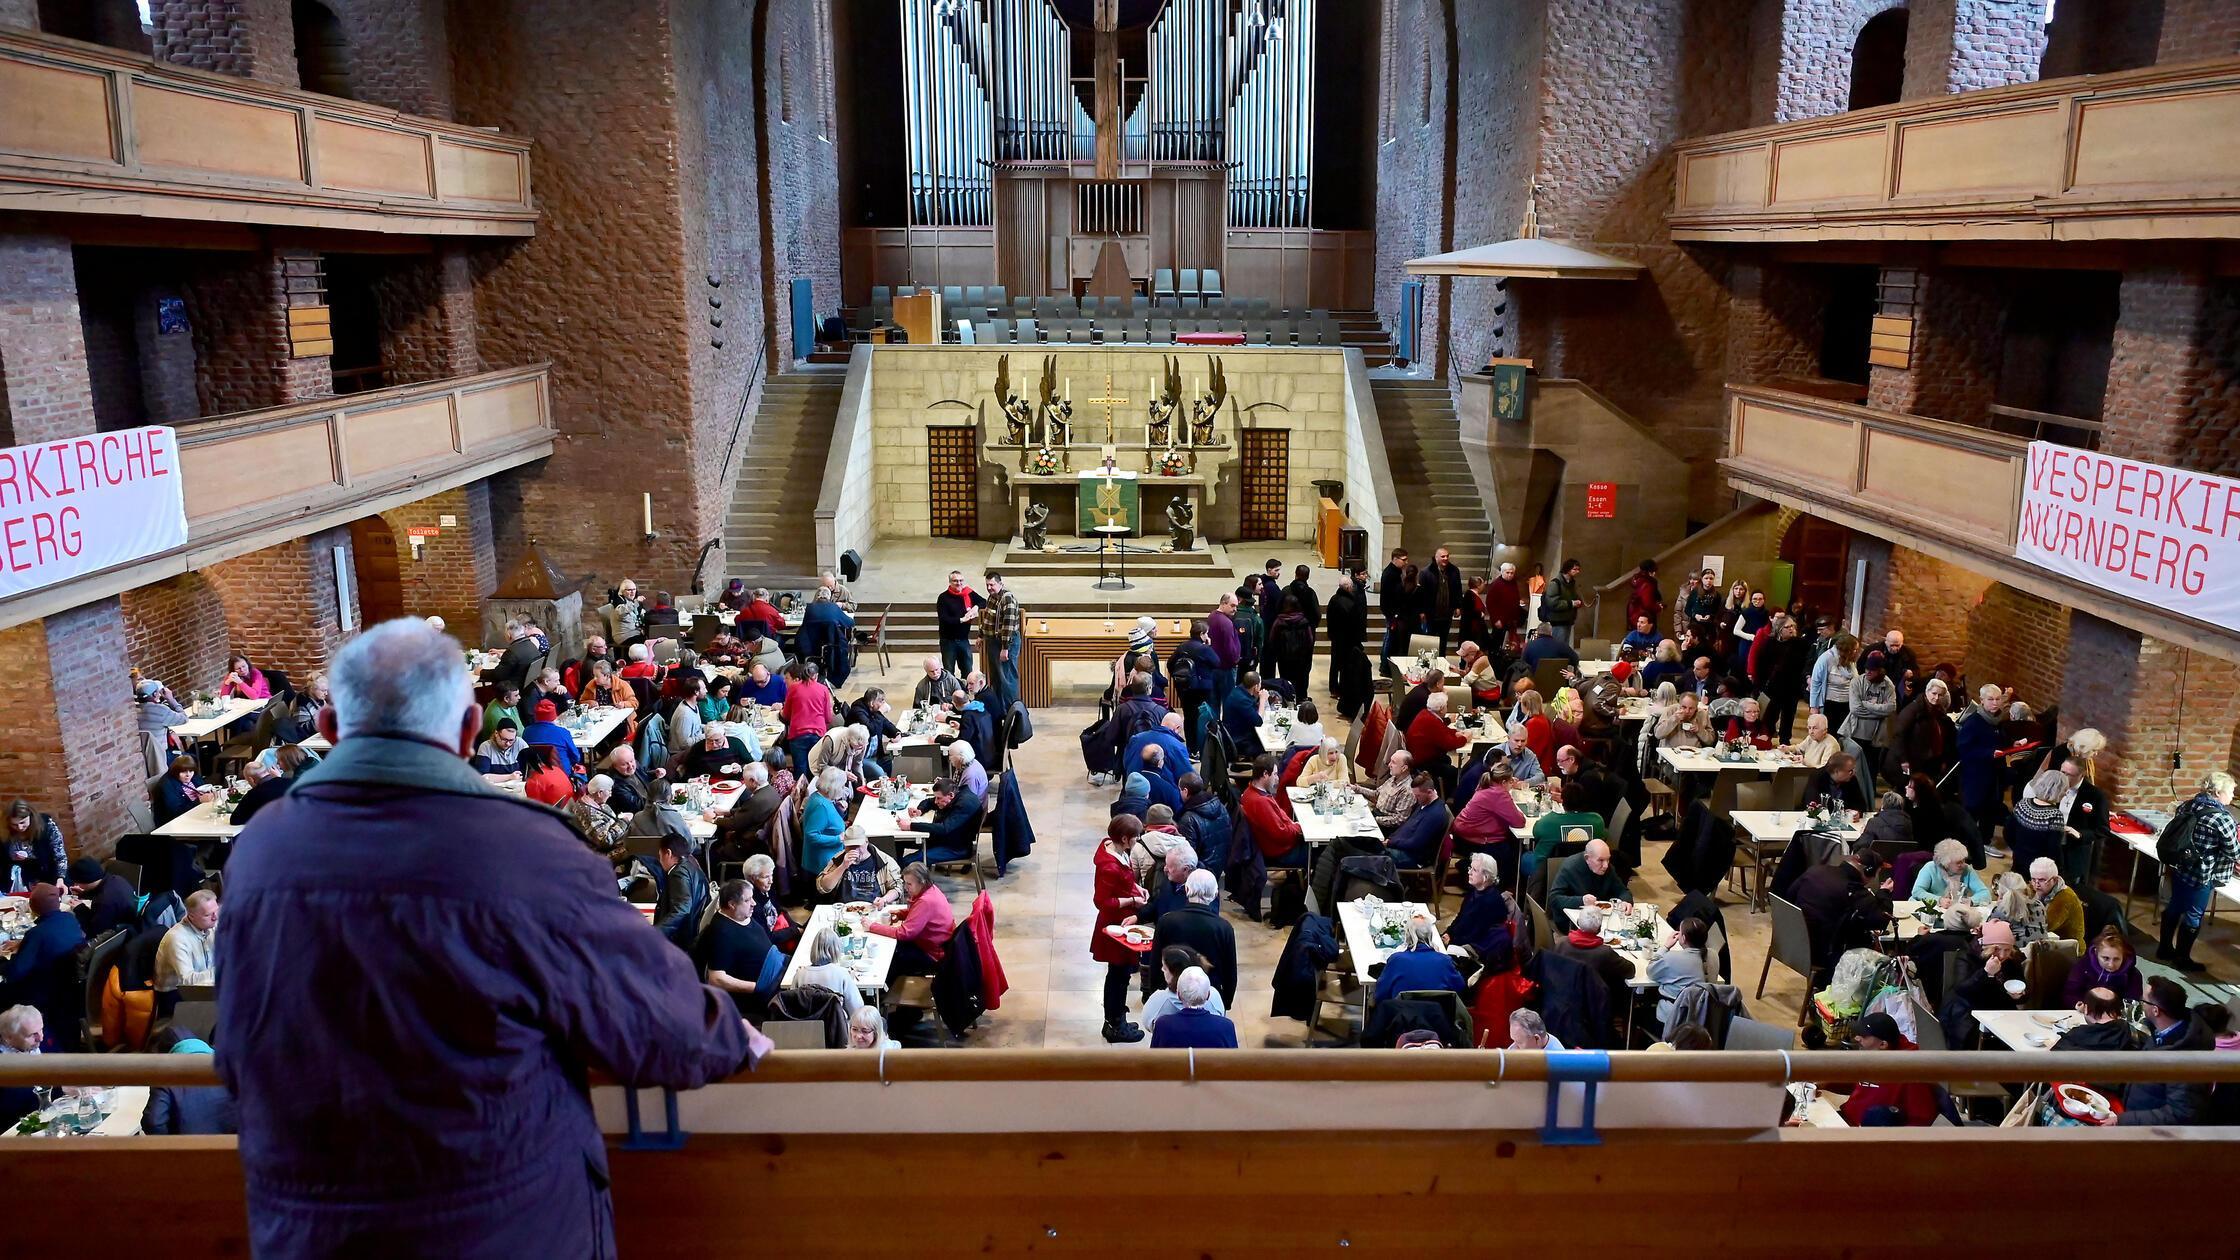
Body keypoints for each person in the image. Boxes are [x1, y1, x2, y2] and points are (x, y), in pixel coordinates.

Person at [216, 620, 763, 1255]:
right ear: (471, 729)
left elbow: (236, 1049)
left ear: (332, 731)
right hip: (496, 1223)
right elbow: (658, 1029)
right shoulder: (529, 853)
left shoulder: (258, 857)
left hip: (310, 1229)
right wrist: (730, 1030)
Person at [2159, 771, 2238, 973]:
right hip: (2203, 873)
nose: (2232, 796)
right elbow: (2233, 851)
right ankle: (2182, 958)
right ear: (2218, 792)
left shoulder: (2188, 805)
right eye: (2231, 791)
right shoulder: (2222, 818)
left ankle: (2165, 948)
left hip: (2181, 866)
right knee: (2194, 915)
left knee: (2175, 906)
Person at [2118, 977, 2214, 1126]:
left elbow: (2181, 1114)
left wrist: (2124, 1120)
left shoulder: (2186, 1060)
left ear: (2155, 1010)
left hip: (2149, 1137)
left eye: (2143, 1000)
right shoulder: (2161, 1033)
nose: (2140, 1003)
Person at [1090, 815, 1151, 1043]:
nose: (1138, 841)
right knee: (1118, 976)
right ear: (1125, 839)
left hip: (1122, 922)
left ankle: (1117, 1018)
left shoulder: (1115, 848)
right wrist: (1132, 901)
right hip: (1114, 927)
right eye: (1136, 837)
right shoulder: (1108, 867)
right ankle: (1115, 1024)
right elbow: (1102, 902)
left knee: (1121, 975)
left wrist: (1135, 887)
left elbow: (1123, 882)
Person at [0, 883, 85, 1045]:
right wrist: (23, 943)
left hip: (42, 993)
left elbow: (14, 973)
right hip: (68, 988)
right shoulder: (70, 919)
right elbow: (51, 939)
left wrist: (2, 960)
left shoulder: (37, 934)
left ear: (33, 908)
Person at [1835, 1011, 1939, 1127]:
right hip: (1845, 1120)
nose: (1857, 1038)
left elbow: (1921, 1120)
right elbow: (1858, 1083)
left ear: (1883, 1044)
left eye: (1863, 1036)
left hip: (1866, 1136)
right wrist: (1824, 1083)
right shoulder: (1873, 1054)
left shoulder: (1912, 1071)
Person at [696, 878, 778, 1019]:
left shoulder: (741, 915)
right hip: (759, 995)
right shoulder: (721, 933)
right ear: (732, 904)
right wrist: (758, 987)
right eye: (747, 900)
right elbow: (716, 979)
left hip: (776, 972)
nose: (754, 903)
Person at [141, 1025, 238, 1135]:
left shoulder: (167, 1077)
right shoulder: (230, 1067)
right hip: (235, 1149)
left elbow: (153, 1123)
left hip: (188, 1149)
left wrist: (169, 1146)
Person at [867, 862, 955, 977]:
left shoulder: (926, 901)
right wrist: (900, 913)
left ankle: (885, 989)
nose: (905, 888)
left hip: (931, 954)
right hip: (934, 945)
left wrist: (872, 926)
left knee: (888, 955)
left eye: (909, 884)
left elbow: (904, 933)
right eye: (905, 883)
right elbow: (920, 913)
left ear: (922, 882)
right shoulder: (931, 889)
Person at [1524, 778, 1603, 891]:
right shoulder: (1597, 821)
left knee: (1525, 857)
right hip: (1586, 870)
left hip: (1547, 872)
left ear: (1563, 801)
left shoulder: (1547, 822)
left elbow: (1536, 835)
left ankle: (1526, 895)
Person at [1373, 915, 1466, 1005]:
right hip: (1435, 1018)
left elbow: (1380, 996)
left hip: (1400, 1017)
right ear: (1430, 935)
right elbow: (1459, 987)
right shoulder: (1445, 961)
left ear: (1408, 936)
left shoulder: (1397, 960)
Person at [1240, 753, 1306, 869]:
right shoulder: (1261, 802)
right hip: (1280, 854)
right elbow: (1283, 834)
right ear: (1265, 774)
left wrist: (1292, 825)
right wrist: (1298, 827)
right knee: (1321, 850)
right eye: (1275, 774)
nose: (1277, 778)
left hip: (1272, 848)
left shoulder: (1248, 792)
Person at [1140, 945, 1227, 1033]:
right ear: (1208, 995)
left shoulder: (1159, 1000)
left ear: (1179, 994)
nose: (1162, 969)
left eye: (1165, 968)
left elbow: (1147, 1022)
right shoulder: (1214, 996)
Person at [1324, 569, 1372, 719]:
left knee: (1335, 663)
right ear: (1349, 587)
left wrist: (1331, 634)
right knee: (1346, 667)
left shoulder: (1333, 599)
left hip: (1337, 638)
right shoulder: (1351, 603)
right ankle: (1342, 689)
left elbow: (1329, 619)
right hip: (1348, 640)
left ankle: (1334, 687)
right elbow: (1355, 623)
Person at [1648, 917, 1712, 1029]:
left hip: (1669, 1021)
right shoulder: (1713, 957)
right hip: (1698, 1020)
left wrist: (1665, 947)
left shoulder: (1672, 958)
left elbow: (1651, 971)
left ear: (1682, 938)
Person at [789, 927, 865, 1019]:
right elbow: (857, 1010)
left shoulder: (799, 975)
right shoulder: (841, 974)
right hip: (837, 1029)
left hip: (807, 1029)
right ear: (836, 950)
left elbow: (791, 1007)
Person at [905, 774, 983, 863]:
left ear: (951, 795)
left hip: (956, 848)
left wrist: (911, 826)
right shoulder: (954, 794)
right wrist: (920, 810)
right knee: (897, 843)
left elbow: (944, 828)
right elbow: (929, 801)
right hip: (945, 839)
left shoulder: (965, 804)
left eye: (938, 798)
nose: (936, 801)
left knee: (908, 861)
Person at [815, 826, 901, 906]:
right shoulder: (838, 860)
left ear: (866, 842)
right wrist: (842, 867)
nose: (854, 850)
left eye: (858, 846)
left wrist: (884, 900)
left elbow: (897, 888)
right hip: (844, 908)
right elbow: (822, 887)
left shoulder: (884, 861)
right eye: (850, 846)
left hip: (873, 907)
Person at [2062, 925, 2143, 1005]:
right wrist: (2078, 1004)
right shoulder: (2082, 966)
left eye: (2116, 959)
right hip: (2084, 1012)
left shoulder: (2133, 975)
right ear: (2096, 952)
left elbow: (2132, 1004)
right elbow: (2070, 993)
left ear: (2124, 956)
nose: (2111, 965)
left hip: (2115, 1014)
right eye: (2106, 958)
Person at [979, 570, 1023, 715]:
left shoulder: (1007, 599)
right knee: (996, 677)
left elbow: (1008, 626)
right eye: (987, 585)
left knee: (1007, 678)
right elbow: (987, 620)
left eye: (992, 584)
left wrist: (1005, 648)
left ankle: (1011, 711)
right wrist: (981, 635)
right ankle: (999, 710)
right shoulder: (991, 598)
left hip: (1006, 643)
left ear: (1000, 584)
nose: (989, 588)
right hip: (993, 641)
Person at [1387, 773, 1452, 870]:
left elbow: (1415, 843)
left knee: (1371, 856)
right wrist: (1391, 839)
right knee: (1367, 847)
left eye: (1418, 796)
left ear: (1429, 792)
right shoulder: (1424, 804)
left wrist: (1391, 842)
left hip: (1413, 858)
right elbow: (1407, 825)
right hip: (1404, 849)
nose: (1416, 799)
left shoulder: (1435, 814)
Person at [1548, 839, 1630, 914]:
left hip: (1600, 916)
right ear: (1587, 858)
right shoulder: (1570, 868)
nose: (1605, 865)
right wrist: (1581, 900)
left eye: (1608, 859)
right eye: (1600, 860)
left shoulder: (1608, 868)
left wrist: (1625, 901)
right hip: (1572, 918)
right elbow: (1554, 899)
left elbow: (1623, 891)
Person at [800, 766, 851, 874]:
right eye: (842, 786)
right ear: (834, 788)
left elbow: (829, 822)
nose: (844, 789)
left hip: (829, 857)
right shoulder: (821, 806)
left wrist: (840, 810)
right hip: (822, 865)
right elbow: (811, 836)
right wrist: (838, 839)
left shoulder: (821, 797)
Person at [1807, 632, 1859, 734]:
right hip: (1830, 704)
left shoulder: (1850, 661)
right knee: (1830, 733)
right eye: (1854, 650)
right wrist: (1814, 707)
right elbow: (1816, 683)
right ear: (1846, 650)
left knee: (1842, 733)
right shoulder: (1826, 659)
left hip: (1846, 704)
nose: (1856, 652)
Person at [1910, 838, 1989, 906]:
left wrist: (1971, 901)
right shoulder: (1930, 868)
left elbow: (1985, 893)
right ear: (1946, 863)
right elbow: (1917, 891)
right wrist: (1939, 900)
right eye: (1958, 862)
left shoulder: (1967, 870)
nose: (1963, 864)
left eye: (1964, 860)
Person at [519, 699, 583, 781]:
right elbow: (576, 757)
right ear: (554, 716)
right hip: (562, 775)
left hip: (536, 775)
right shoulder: (562, 732)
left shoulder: (527, 732)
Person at [934, 570, 981, 678]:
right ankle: (951, 693)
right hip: (948, 641)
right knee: (949, 672)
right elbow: (944, 618)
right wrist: (961, 620)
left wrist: (975, 607)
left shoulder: (968, 593)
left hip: (963, 640)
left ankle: (965, 692)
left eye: (961, 580)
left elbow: (983, 601)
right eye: (955, 581)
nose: (959, 583)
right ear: (950, 582)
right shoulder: (943, 598)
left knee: (967, 669)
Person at [2027, 856, 2084, 943]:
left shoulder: (2065, 898)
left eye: (2042, 880)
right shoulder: (2039, 888)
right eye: (2033, 879)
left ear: (2054, 880)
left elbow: (2042, 927)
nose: (2036, 884)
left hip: (2068, 948)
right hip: (2049, 941)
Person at [1802, 752, 1871, 816]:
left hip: (1846, 822)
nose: (1853, 773)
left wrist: (1857, 812)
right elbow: (1811, 804)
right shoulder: (1817, 777)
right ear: (1837, 771)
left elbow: (1861, 805)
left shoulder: (1851, 779)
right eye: (1850, 770)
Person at [1540, 558, 1585, 646]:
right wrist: (1571, 603)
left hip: (1568, 619)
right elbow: (1552, 603)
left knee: (1564, 645)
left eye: (1578, 569)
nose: (1577, 572)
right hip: (1558, 620)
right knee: (1558, 645)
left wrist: (1578, 602)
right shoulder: (1555, 583)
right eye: (1575, 569)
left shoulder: (1572, 583)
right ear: (1567, 569)